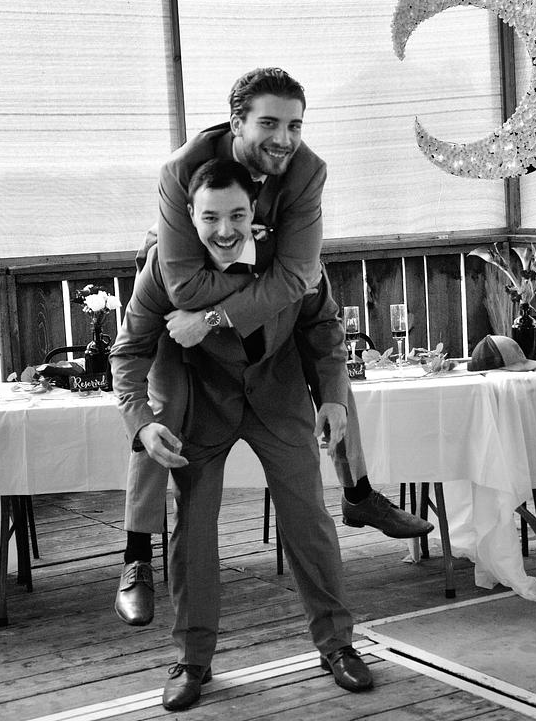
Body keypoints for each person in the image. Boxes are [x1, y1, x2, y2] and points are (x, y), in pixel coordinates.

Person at [115, 67, 432, 627]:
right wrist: (268, 271)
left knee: (324, 343)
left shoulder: (307, 172)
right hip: (182, 301)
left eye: (294, 125)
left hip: (269, 309)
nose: (284, 138)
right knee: (163, 410)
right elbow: (184, 288)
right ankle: (137, 553)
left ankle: (357, 493)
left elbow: (304, 287)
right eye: (268, 123)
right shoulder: (181, 173)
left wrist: (260, 280)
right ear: (236, 123)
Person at [111, 159, 374, 712]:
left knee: (309, 522)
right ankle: (192, 659)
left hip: (279, 397)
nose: (225, 230)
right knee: (192, 531)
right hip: (203, 402)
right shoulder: (164, 266)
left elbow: (323, 327)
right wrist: (143, 421)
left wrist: (331, 395)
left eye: (236, 215)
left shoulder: (292, 256)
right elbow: (128, 352)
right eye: (210, 218)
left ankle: (337, 644)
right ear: (189, 216)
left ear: (254, 211)